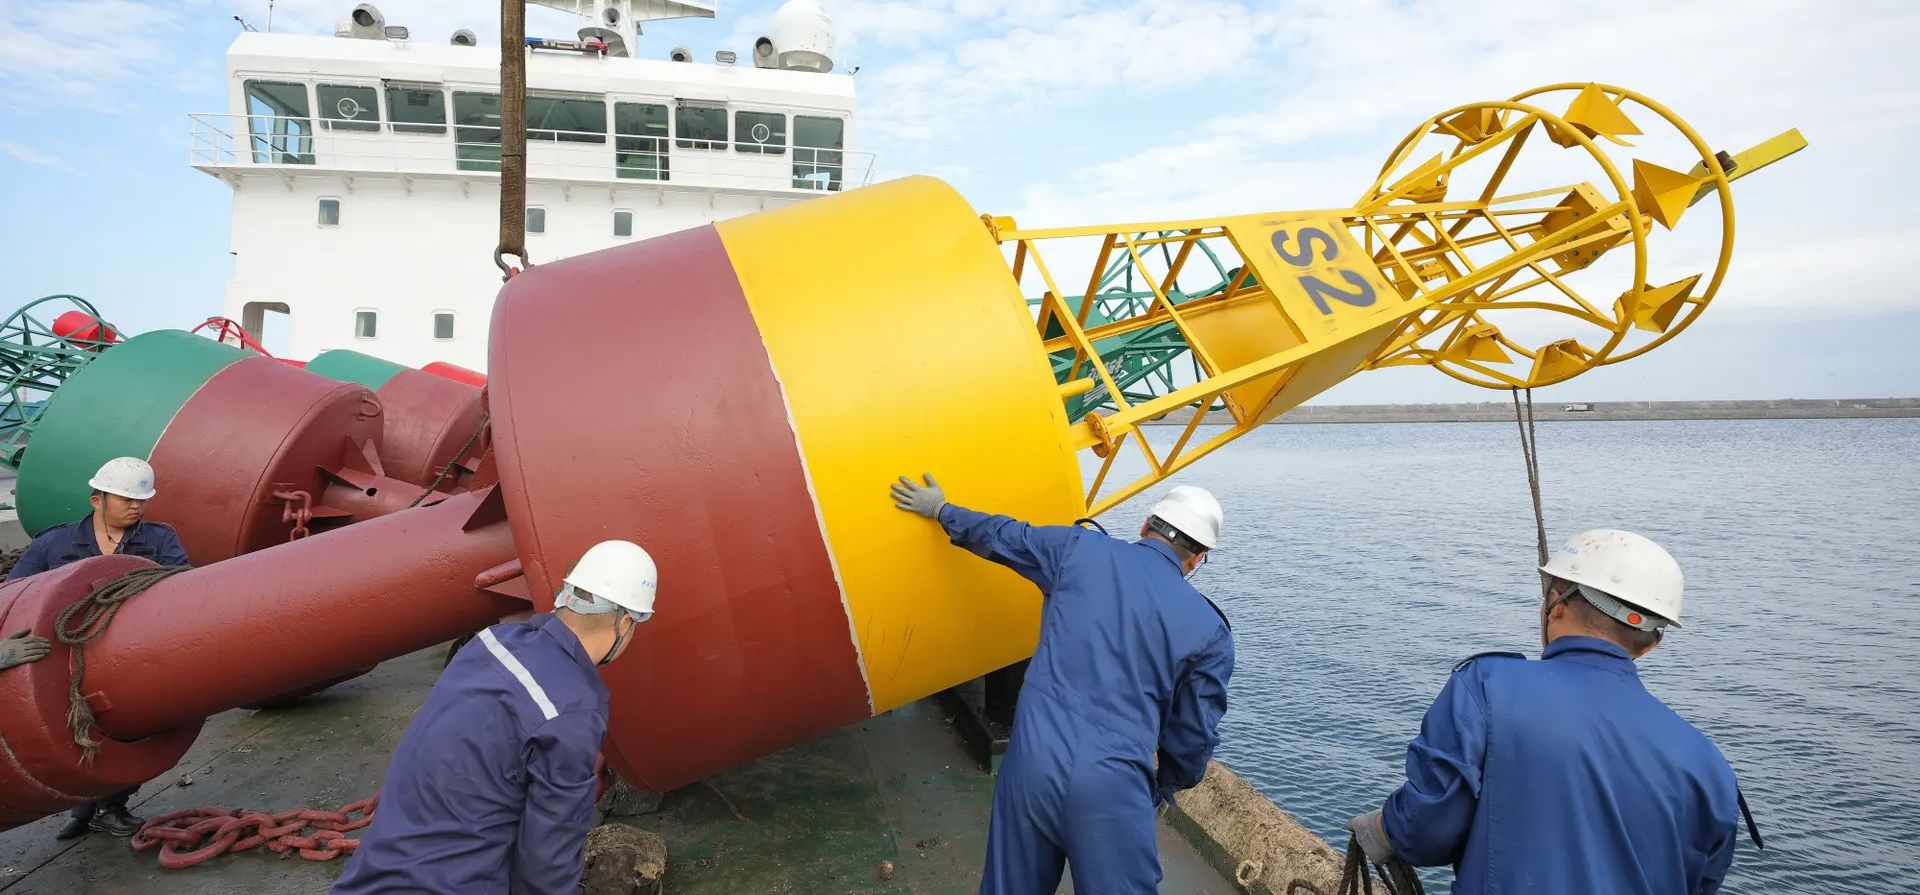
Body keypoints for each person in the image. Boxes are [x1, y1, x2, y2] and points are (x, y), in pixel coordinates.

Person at [1346, 529, 1744, 895]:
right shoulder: (1710, 766)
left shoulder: (1486, 685)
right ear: (1649, 645)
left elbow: (1428, 830)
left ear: (1556, 605)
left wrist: (1384, 828)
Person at [890, 474, 1235, 894]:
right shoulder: (1210, 631)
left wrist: (941, 510)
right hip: (1114, 786)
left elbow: (1001, 536)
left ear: (1147, 525)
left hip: (1030, 764)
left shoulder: (1077, 549)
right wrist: (1164, 787)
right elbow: (1193, 737)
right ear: (1197, 558)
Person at [331, 539, 659, 895]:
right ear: (625, 622)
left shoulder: (489, 644)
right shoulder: (572, 708)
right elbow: (547, 862)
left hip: (373, 875)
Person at [4, 456, 188, 839]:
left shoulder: (160, 539)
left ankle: (112, 806)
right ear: (97, 500)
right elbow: (13, 593)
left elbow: (183, 585)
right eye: (125, 498)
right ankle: (85, 807)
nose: (135, 505)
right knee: (74, 730)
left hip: (132, 654)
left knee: (128, 726)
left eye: (141, 499)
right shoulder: (54, 544)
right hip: (68, 656)